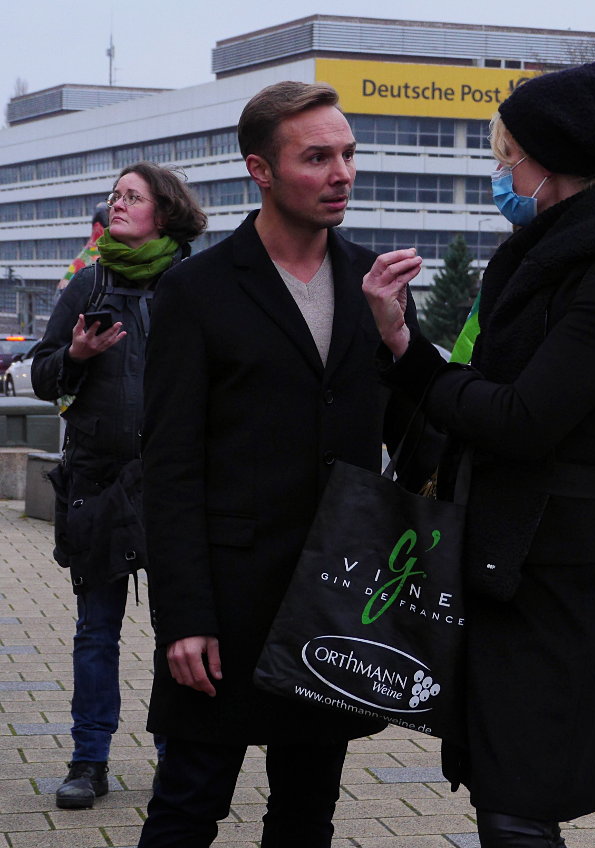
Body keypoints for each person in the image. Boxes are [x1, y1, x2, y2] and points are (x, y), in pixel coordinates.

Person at [362, 62, 595, 848]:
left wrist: (414, 354)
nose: (502, 172)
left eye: (509, 154)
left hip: (557, 569)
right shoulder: (560, 249)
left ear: (557, 156)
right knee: (503, 786)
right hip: (511, 556)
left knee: (520, 794)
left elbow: (522, 416)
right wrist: (409, 357)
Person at [137, 81, 424, 848]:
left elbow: (419, 438)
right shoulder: (195, 291)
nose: (343, 174)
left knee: (306, 814)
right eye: (317, 157)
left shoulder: (376, 284)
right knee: (187, 805)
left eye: (349, 154)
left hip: (332, 599)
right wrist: (184, 616)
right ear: (260, 170)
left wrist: (401, 343)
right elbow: (168, 467)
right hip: (226, 601)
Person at [32, 163, 207, 810]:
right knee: (94, 630)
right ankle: (88, 760)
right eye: (115, 196)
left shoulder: (192, 286)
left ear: (164, 212)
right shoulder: (85, 286)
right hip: (97, 482)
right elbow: (43, 376)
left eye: (132, 196)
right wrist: (74, 356)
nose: (117, 204)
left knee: (178, 630)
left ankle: (176, 755)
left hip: (173, 484)